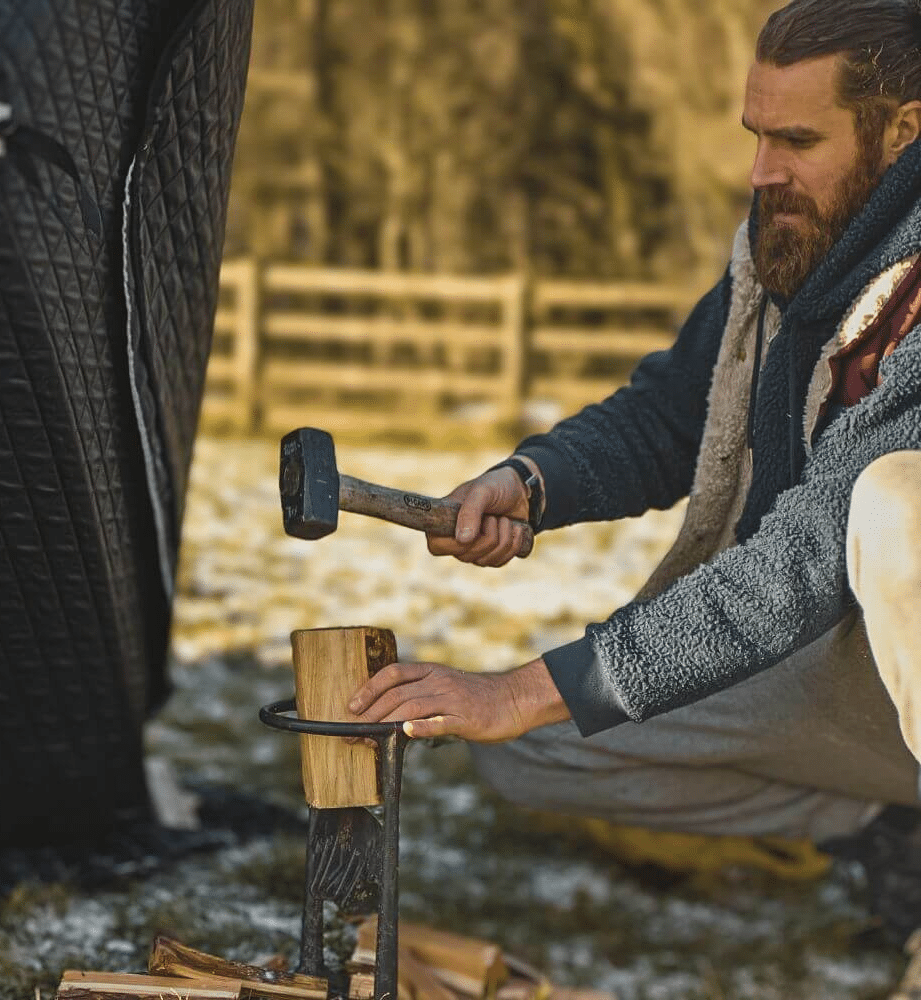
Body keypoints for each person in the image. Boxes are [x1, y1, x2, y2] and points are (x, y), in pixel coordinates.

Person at [348, 0, 921, 937]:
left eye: (798, 139)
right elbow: (679, 408)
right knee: (528, 752)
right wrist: (535, 482)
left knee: (900, 507)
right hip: (848, 665)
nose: (761, 170)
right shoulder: (793, 243)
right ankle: (887, 820)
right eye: (756, 134)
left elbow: (802, 559)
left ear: (905, 131)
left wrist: (519, 690)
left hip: (878, 622)